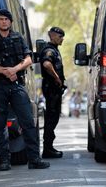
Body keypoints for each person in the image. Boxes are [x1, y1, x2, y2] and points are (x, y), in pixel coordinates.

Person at [0, 9, 50, 171]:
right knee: (0, 126)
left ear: (10, 22)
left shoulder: (18, 37)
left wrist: (14, 70)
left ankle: (34, 159)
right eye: (1, 19)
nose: (4, 22)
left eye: (6, 19)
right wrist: (5, 71)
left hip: (16, 85)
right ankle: (5, 160)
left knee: (28, 122)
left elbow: (28, 59)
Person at [40, 26, 66, 158]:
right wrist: (56, 78)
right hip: (51, 88)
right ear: (52, 35)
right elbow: (46, 64)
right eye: (60, 36)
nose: (62, 39)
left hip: (54, 89)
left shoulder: (54, 50)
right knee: (51, 118)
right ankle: (47, 149)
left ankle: (49, 147)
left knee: (53, 118)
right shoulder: (49, 50)